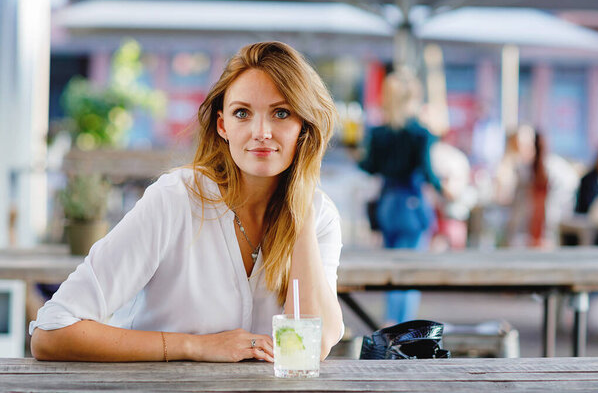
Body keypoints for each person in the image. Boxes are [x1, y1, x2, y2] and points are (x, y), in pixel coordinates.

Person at [30, 42, 344, 362]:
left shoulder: (319, 216)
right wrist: (194, 346)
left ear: (304, 126)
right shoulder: (176, 199)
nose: (261, 132)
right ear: (223, 125)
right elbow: (51, 332)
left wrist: (300, 209)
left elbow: (309, 349)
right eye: (242, 113)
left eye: (281, 113)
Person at [359, 69, 443, 324]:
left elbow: (369, 166)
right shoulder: (420, 134)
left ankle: (390, 324)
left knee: (392, 271)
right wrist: (443, 190)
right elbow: (428, 172)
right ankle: (403, 329)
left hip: (386, 204)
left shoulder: (378, 133)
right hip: (412, 204)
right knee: (410, 273)